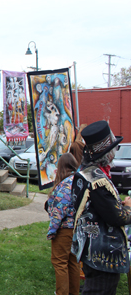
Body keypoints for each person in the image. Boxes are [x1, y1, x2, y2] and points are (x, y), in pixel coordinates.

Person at [71, 120, 131, 294]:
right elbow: (116, 216)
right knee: (99, 290)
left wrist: (118, 204)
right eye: (114, 149)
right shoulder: (96, 179)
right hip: (103, 252)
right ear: (108, 153)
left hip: (92, 247)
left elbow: (98, 208)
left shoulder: (86, 171)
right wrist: (128, 208)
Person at [46, 153, 80, 295]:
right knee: (72, 262)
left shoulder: (67, 183)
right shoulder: (78, 180)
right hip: (77, 228)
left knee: (60, 263)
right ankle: (74, 292)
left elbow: (59, 210)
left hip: (65, 229)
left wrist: (52, 230)